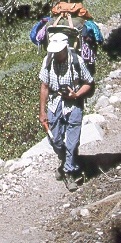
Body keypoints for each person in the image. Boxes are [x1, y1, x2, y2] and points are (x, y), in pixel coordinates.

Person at [38, 32, 94, 191]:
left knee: (73, 141)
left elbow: (89, 83)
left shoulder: (77, 61)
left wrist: (76, 94)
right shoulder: (48, 60)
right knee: (54, 139)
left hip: (74, 104)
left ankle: (69, 171)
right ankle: (65, 162)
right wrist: (42, 112)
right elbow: (44, 87)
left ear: (65, 48)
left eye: (58, 51)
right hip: (55, 104)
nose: (55, 54)